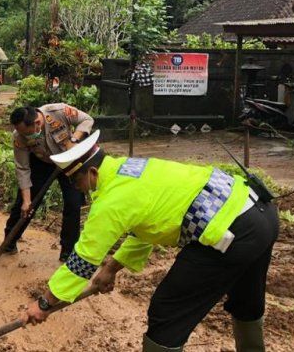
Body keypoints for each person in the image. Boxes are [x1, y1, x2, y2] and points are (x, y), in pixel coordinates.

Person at [21, 131, 279, 352]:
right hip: (261, 213)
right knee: (247, 301)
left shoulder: (111, 199)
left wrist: (45, 303)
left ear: (92, 171)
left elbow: (83, 259)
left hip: (233, 232)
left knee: (166, 310)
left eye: (75, 180)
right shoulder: (133, 168)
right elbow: (147, 227)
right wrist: (111, 268)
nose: (77, 187)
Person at [3, 104, 93, 260]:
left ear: (37, 123)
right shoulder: (19, 136)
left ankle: (68, 252)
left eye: (27, 133)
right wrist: (26, 200)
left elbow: (87, 119)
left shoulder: (58, 112)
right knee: (24, 206)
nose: (24, 136)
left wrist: (74, 139)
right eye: (21, 133)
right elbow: (22, 168)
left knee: (74, 203)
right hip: (42, 163)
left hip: (68, 160)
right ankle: (9, 242)